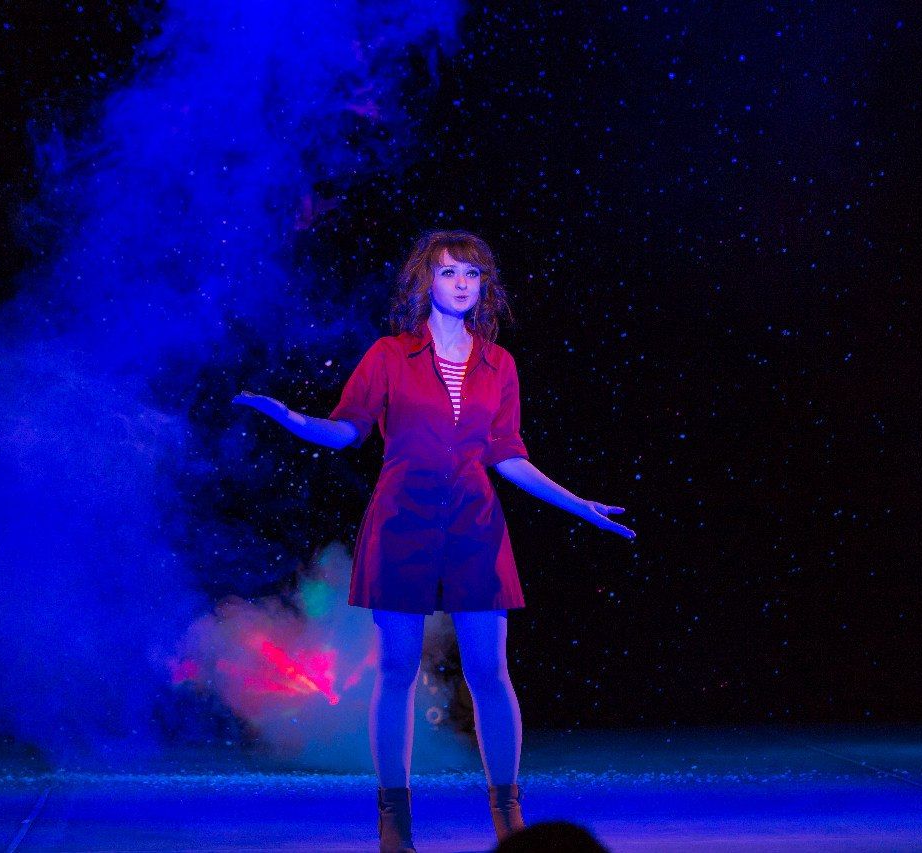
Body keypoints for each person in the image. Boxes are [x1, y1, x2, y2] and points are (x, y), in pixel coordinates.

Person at [233, 230, 636, 852]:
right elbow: (347, 431)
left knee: (490, 672)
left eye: (472, 274)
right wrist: (293, 419)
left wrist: (580, 505)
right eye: (449, 273)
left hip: (475, 528)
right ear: (426, 282)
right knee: (397, 670)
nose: (462, 284)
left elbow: (508, 455)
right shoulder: (389, 355)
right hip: (403, 523)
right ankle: (394, 820)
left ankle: (509, 816)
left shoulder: (499, 363)